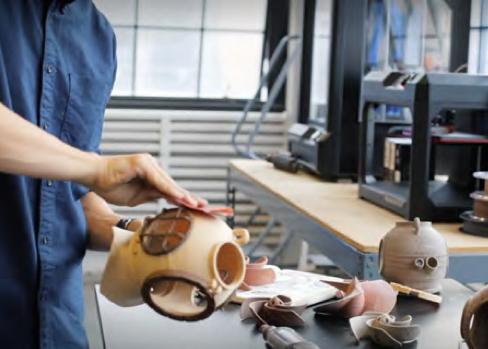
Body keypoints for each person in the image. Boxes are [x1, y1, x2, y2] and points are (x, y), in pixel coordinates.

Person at [0, 1, 205, 347]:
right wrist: (97, 169)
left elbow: (68, 196)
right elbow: (89, 170)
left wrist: (140, 239)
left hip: (57, 326)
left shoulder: (98, 37)